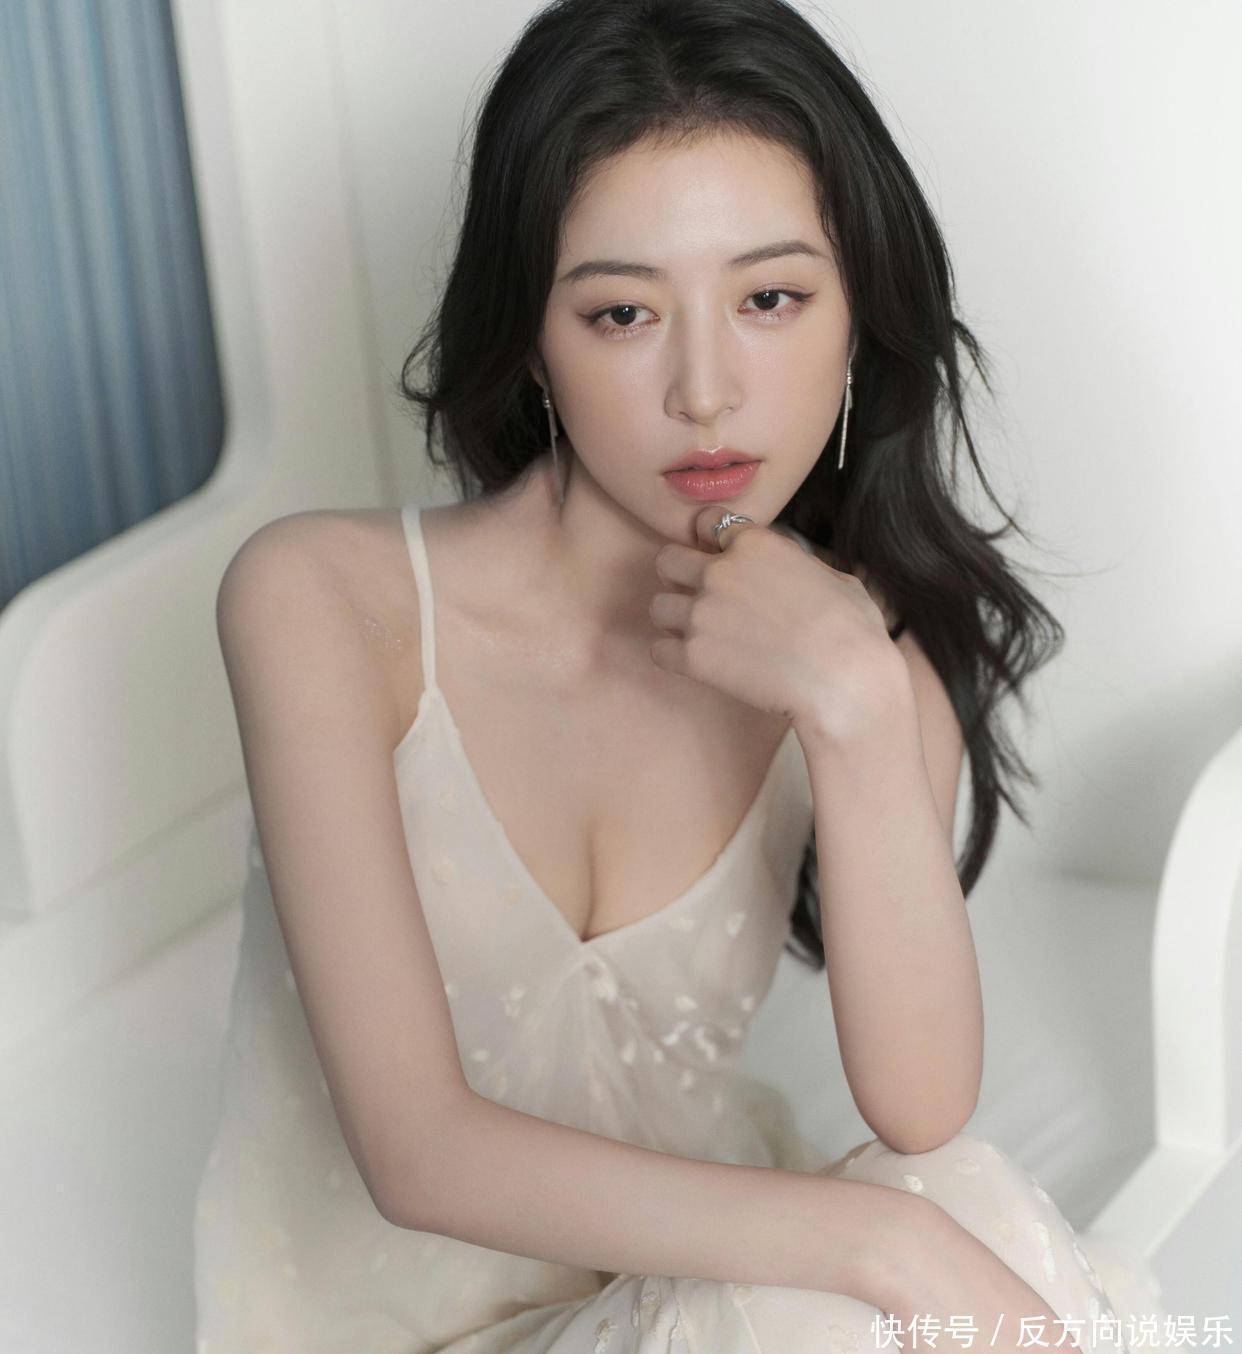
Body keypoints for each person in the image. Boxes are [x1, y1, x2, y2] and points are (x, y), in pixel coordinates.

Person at [192, 0, 1168, 1349]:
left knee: (958, 1196)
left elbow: (921, 1109)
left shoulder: (857, 649)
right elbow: (417, 1153)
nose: (704, 391)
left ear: (856, 318)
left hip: (695, 1300)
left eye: (770, 299)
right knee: (933, 1234)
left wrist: (853, 705)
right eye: (620, 313)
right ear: (532, 337)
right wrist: (883, 1242)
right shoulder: (323, 602)